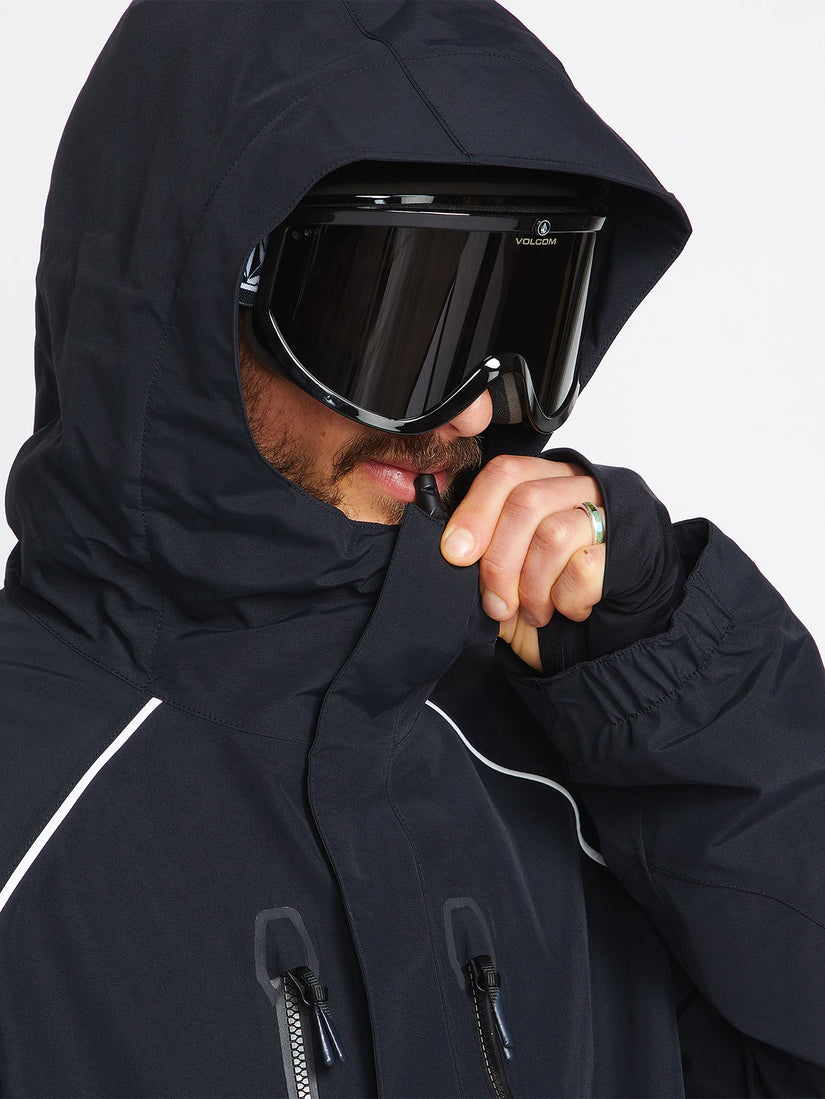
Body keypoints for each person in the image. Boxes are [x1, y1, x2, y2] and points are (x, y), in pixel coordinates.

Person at [0, 2, 822, 1096]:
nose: (471, 413)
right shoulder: (28, 820)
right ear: (187, 301)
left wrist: (670, 672)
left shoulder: (565, 763)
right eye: (392, 319)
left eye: (520, 321)